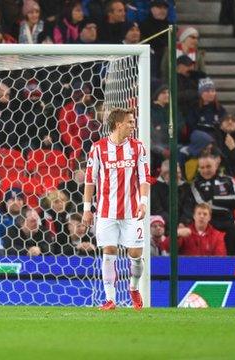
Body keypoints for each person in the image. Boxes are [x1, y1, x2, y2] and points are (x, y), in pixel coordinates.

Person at [83, 107, 150, 311]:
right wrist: (87, 208)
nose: (133, 125)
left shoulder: (138, 148)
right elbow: (89, 180)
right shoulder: (97, 148)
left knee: (135, 254)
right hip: (105, 211)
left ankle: (134, 288)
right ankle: (110, 299)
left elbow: (144, 178)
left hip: (132, 211)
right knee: (109, 251)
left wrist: (143, 202)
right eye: (129, 122)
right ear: (118, 124)